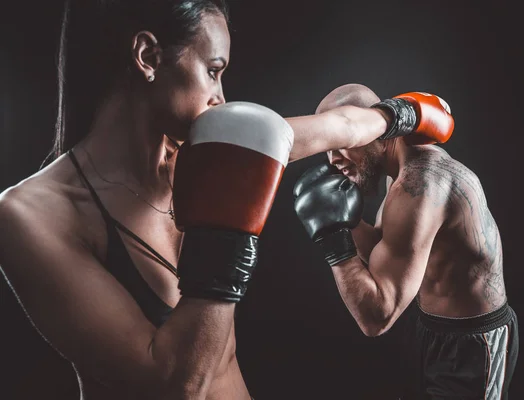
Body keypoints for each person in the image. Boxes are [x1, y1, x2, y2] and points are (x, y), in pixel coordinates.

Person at [0, 1, 450, 399]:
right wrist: (226, 238)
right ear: (148, 56)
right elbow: (178, 385)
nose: (221, 98)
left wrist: (404, 113)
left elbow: (344, 126)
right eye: (213, 71)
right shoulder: (33, 217)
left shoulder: (206, 155)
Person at [293, 84, 518, 400]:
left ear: (374, 131)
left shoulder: (420, 186)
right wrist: (348, 222)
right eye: (328, 150)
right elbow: (385, 252)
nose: (333, 161)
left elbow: (376, 318)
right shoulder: (401, 170)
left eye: (341, 145)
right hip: (432, 330)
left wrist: (333, 238)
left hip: (471, 345)